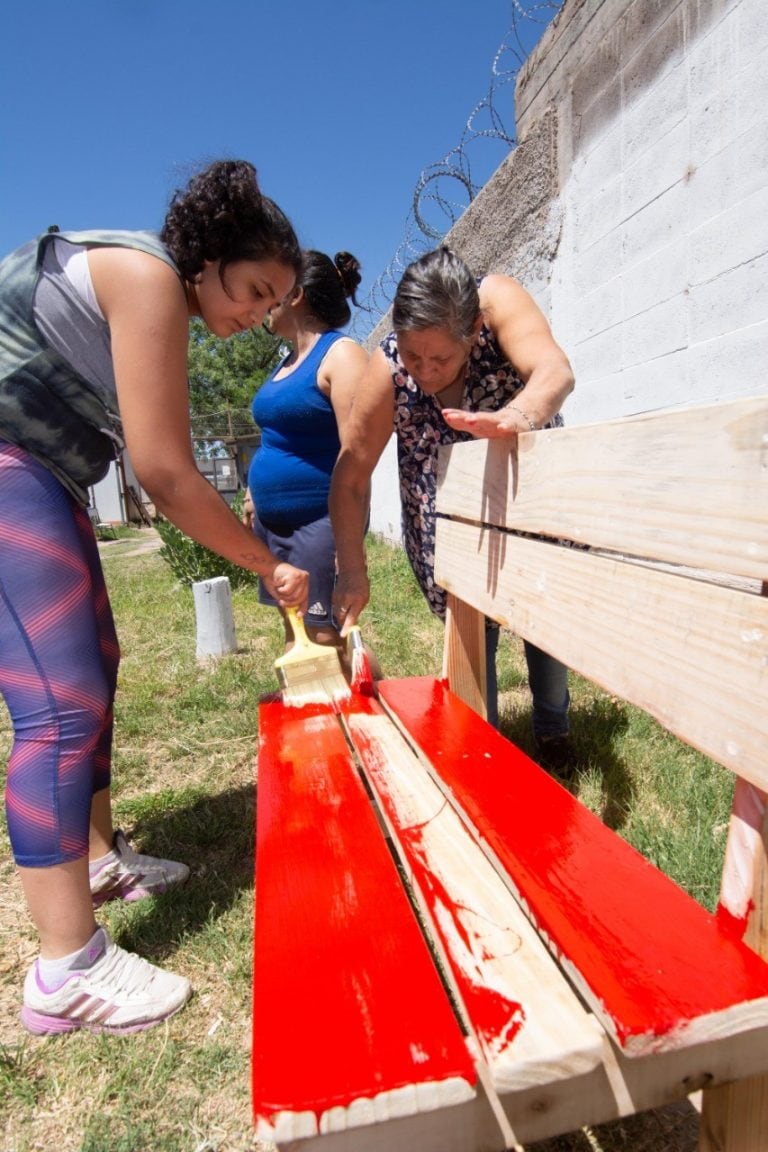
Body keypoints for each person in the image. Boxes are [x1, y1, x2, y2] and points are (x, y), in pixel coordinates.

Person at [0, 159, 310, 1037]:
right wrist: (265, 561)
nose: (256, 315)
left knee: (95, 664)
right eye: (254, 289)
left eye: (273, 305)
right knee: (58, 705)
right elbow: (167, 473)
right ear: (207, 260)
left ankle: (94, 859)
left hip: (40, 469)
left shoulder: (152, 285)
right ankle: (67, 970)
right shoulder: (149, 279)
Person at [330, 247, 576, 774]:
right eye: (414, 357)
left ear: (473, 328)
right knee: (470, 636)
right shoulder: (391, 365)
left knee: (542, 620)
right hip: (449, 527)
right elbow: (350, 476)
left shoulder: (499, 300)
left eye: (439, 357)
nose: (424, 371)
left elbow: (555, 371)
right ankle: (482, 740)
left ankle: (554, 732)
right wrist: (351, 570)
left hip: (527, 502)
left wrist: (517, 417)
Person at [244, 249, 369, 667]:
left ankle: (359, 722)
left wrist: (348, 554)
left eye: (269, 290)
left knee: (323, 635)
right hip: (272, 524)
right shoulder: (285, 364)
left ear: (294, 293)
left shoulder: (341, 355)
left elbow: (358, 459)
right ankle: (308, 725)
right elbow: (275, 438)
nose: (260, 303)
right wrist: (252, 493)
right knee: (294, 630)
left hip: (319, 521)